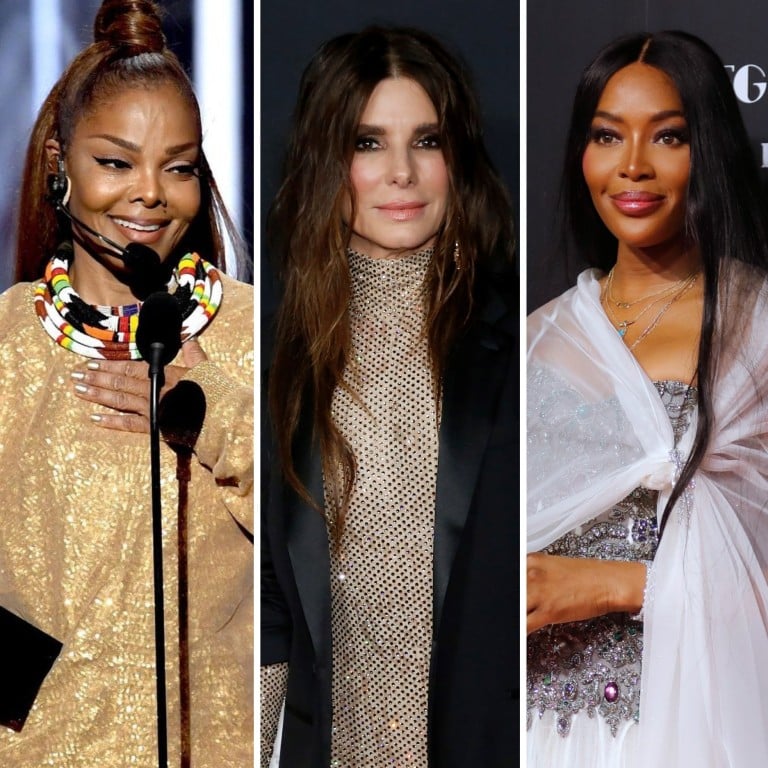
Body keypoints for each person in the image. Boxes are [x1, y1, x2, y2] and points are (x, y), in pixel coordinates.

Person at [0, 1, 253, 765]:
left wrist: (205, 407)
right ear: (59, 161)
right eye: (116, 161)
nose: (149, 193)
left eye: (177, 167)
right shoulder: (10, 340)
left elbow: (317, 532)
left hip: (212, 741)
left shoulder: (246, 331)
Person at [261, 25, 517, 768]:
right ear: (324, 163)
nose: (400, 172)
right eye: (368, 143)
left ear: (457, 160)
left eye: (427, 141)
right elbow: (275, 611)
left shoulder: (526, 347)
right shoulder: (275, 359)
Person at [527, 30, 768, 767]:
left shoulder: (754, 329)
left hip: (694, 713)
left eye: (668, 136)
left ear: (712, 152)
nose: (632, 166)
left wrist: (616, 585)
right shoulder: (540, 338)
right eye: (607, 136)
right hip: (542, 730)